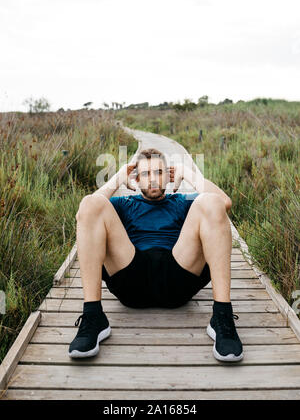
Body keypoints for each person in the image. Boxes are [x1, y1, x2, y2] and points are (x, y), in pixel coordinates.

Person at [68, 148, 243, 362]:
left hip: (177, 277)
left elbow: (224, 202)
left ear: (168, 176)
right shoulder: (124, 204)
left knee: (211, 202)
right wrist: (118, 177)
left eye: (159, 172)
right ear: (136, 179)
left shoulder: (180, 202)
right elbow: (83, 214)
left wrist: (186, 172)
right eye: (145, 174)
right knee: (90, 203)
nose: (152, 179)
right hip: (131, 279)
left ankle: (222, 317)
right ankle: (93, 317)